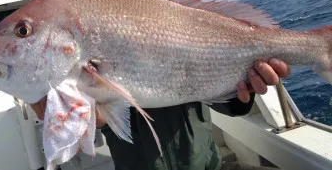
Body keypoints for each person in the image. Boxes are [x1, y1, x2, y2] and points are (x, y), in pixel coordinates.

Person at [31, 58, 290, 170]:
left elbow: (231, 105)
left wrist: (245, 88)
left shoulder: (177, 52)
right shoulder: (84, 78)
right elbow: (82, 128)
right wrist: (76, 118)